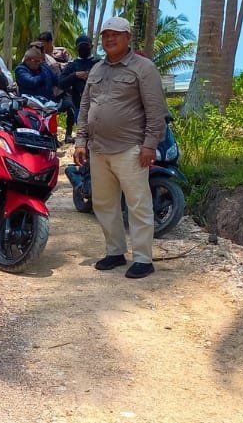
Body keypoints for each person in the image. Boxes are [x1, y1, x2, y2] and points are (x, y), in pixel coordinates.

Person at [73, 16, 168, 280]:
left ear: (128, 37)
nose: (109, 39)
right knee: (104, 203)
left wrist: (150, 145)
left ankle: (142, 259)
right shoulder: (97, 70)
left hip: (131, 149)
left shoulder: (143, 68)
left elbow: (155, 110)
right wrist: (81, 141)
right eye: (105, 35)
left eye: (115, 34)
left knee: (138, 204)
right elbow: (84, 108)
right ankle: (115, 252)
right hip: (99, 150)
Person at [58, 35, 99, 142]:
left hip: (99, 105)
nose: (84, 49)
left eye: (86, 46)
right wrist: (75, 75)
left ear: (92, 46)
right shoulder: (72, 65)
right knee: (84, 134)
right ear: (76, 49)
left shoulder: (99, 63)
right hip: (79, 105)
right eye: (81, 47)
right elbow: (61, 83)